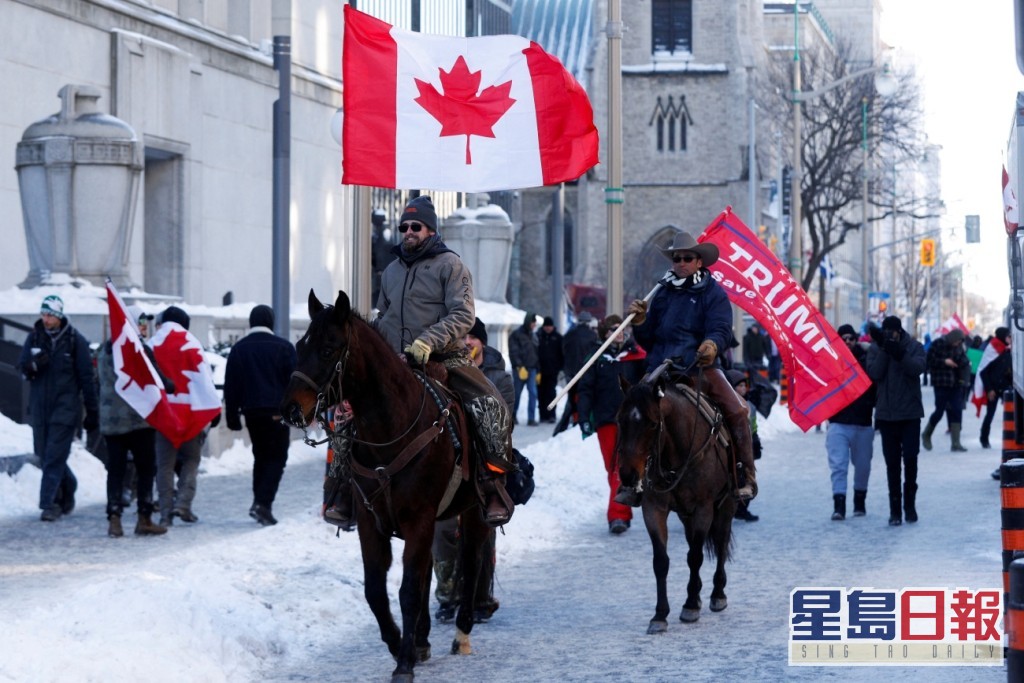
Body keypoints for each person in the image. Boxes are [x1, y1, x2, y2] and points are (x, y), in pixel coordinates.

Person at [325, 195, 515, 530]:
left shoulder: (451, 266)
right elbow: (384, 316)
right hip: (395, 364)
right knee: (344, 415)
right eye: (404, 227)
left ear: (430, 229)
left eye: (416, 226)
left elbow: (463, 314)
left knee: (489, 405)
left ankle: (492, 484)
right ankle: (342, 490)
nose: (408, 231)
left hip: (444, 357)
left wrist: (428, 340)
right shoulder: (392, 271)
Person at [623, 230, 757, 503]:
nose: (681, 262)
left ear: (699, 262)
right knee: (631, 414)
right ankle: (629, 480)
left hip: (699, 368)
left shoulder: (713, 292)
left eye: (687, 258)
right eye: (676, 258)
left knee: (739, 411)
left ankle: (745, 475)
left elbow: (720, 327)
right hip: (662, 368)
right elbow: (650, 339)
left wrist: (711, 344)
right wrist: (640, 323)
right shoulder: (661, 292)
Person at [433, 317, 511, 623]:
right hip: (449, 463)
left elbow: (504, 420)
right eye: (461, 337)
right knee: (442, 533)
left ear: (482, 342)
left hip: (484, 465)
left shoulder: (498, 377)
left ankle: (479, 597)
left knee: (481, 533)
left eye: (472, 337)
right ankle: (447, 596)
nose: (467, 342)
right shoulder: (443, 373)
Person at [18, 295, 99, 521]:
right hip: (40, 408)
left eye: (50, 315)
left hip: (65, 408)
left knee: (54, 455)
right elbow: (23, 369)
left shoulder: (75, 341)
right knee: (44, 455)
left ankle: (49, 503)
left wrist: (92, 412)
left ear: (59, 316)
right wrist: (34, 365)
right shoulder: (34, 338)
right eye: (43, 314)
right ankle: (69, 483)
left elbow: (86, 378)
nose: (46, 319)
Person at [97, 305, 170, 537]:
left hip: (112, 422)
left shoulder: (104, 350)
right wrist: (170, 385)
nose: (144, 328)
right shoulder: (140, 350)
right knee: (146, 469)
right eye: (139, 323)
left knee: (116, 471)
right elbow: (158, 379)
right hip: (139, 421)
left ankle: (114, 520)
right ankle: (144, 518)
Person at [223, 304, 297, 527]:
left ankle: (259, 502)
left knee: (261, 456)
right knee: (277, 458)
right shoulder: (284, 347)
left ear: (250, 322)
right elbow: (294, 383)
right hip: (277, 413)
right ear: (271, 322)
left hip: (251, 413)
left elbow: (231, 386)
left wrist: (232, 416)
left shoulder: (239, 349)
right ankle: (263, 504)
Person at [576, 314, 646, 534]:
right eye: (614, 329)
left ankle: (618, 515)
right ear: (605, 333)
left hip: (632, 422)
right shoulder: (596, 358)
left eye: (623, 328)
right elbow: (585, 390)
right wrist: (583, 418)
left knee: (620, 466)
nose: (620, 332)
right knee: (611, 467)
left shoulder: (637, 356)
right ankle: (623, 504)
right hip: (606, 420)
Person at [151, 306, 218, 527]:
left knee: (164, 465)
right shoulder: (192, 343)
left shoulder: (152, 343)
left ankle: (165, 512)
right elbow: (204, 378)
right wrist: (213, 408)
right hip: (190, 413)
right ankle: (184, 504)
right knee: (191, 459)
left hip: (163, 414)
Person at [866, 316, 926, 526]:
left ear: (900, 331)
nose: (890, 335)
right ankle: (895, 511)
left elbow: (917, 369)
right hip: (887, 415)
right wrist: (885, 348)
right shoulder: (875, 349)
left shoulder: (914, 347)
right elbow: (874, 373)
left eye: (892, 332)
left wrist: (899, 352)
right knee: (892, 465)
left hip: (910, 414)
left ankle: (909, 505)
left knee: (910, 460)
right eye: (887, 332)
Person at [825, 324, 876, 521]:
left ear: (856, 340)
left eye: (851, 338)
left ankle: (860, 501)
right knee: (838, 466)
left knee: (863, 466)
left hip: (863, 422)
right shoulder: (830, 361)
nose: (847, 342)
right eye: (843, 338)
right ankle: (839, 505)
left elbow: (876, 383)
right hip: (838, 421)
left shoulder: (867, 361)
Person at [921, 328, 971, 453]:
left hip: (955, 383)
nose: (958, 345)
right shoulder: (938, 343)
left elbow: (963, 360)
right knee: (939, 411)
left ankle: (956, 442)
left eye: (960, 343)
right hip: (941, 383)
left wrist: (964, 363)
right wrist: (945, 362)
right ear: (952, 338)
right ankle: (926, 434)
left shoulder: (959, 347)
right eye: (957, 342)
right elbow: (928, 361)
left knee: (957, 410)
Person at [554, 311, 598, 435]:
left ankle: (564, 427)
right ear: (589, 322)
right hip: (586, 372)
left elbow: (562, 351)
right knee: (584, 398)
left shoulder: (569, 334)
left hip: (570, 372)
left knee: (572, 399)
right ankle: (579, 422)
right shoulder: (593, 336)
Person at [726, 369, 761, 522]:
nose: (742, 389)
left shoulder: (750, 406)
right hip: (731, 445)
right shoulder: (726, 405)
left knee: (747, 476)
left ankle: (742, 508)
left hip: (746, 445)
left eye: (744, 385)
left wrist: (756, 439)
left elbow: (753, 426)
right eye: (739, 386)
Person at [972, 326, 1011, 449]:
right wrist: (989, 390)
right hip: (993, 389)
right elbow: (983, 372)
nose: (1010, 339)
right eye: (1008, 336)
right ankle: (984, 438)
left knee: (1012, 414)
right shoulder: (993, 350)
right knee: (990, 415)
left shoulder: (1007, 350)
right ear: (1003, 337)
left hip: (1004, 387)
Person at [509, 312, 540, 426]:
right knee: (516, 393)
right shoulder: (516, 335)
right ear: (528, 322)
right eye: (533, 323)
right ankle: (513, 415)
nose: (534, 325)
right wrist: (519, 366)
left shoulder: (533, 335)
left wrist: (538, 370)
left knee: (533, 393)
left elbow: (536, 353)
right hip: (520, 370)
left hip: (532, 369)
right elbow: (514, 352)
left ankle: (531, 418)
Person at [537, 316, 564, 424]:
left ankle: (551, 415)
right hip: (540, 371)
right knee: (541, 394)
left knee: (551, 393)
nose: (548, 328)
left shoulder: (558, 338)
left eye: (550, 326)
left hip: (553, 371)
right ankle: (542, 415)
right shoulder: (538, 337)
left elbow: (562, 354)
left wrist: (560, 367)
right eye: (546, 326)